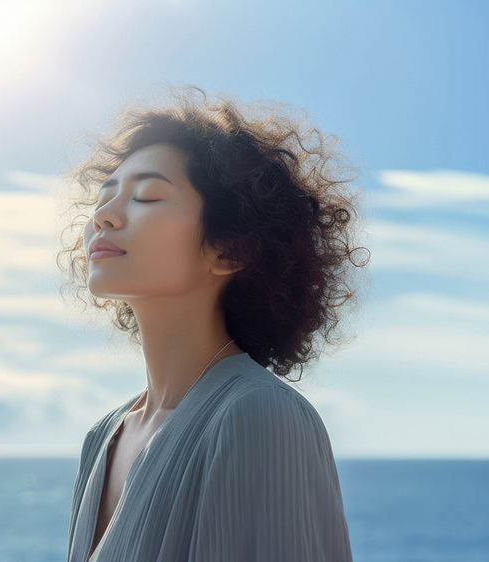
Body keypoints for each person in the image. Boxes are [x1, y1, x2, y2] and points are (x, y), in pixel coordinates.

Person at [56, 85, 370, 561]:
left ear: (230, 249)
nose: (104, 217)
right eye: (105, 196)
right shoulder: (103, 437)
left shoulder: (261, 415)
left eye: (146, 196)